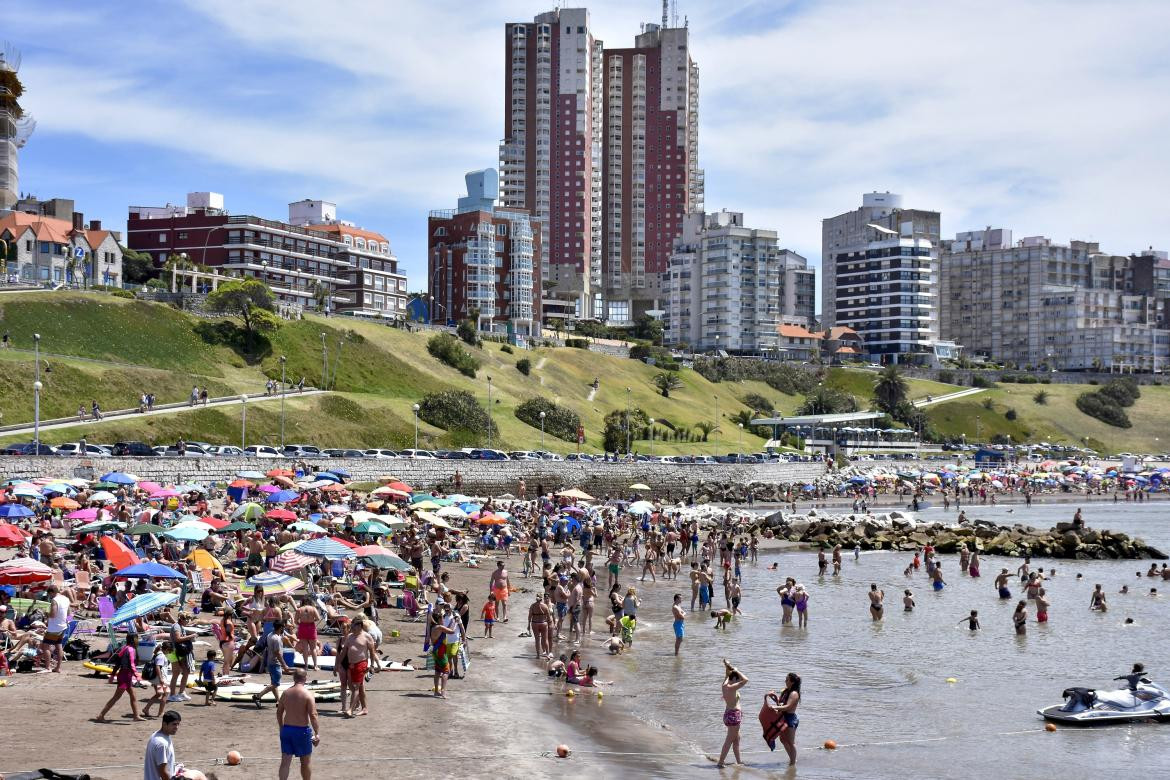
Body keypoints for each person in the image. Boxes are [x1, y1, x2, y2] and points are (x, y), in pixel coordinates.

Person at [278, 668, 321, 780]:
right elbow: (313, 715)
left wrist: (281, 727)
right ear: (305, 678)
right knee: (305, 762)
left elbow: (279, 712)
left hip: (287, 730)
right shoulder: (307, 694)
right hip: (301, 731)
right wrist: (317, 733)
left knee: (285, 762)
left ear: (294, 678)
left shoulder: (286, 693)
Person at [95, 632, 143, 722]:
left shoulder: (124, 648)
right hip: (125, 675)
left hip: (124, 674)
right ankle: (101, 715)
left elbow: (117, 663)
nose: (138, 640)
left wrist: (113, 675)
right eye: (137, 638)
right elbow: (132, 664)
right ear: (134, 639)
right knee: (116, 697)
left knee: (133, 696)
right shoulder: (131, 650)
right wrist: (137, 676)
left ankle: (136, 716)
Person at [343, 618, 381, 716]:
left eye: (354, 625)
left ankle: (350, 709)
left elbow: (372, 652)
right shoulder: (350, 636)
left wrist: (372, 665)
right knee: (357, 687)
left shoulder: (367, 637)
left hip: (361, 664)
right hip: (350, 664)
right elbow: (344, 652)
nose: (351, 627)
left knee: (356, 687)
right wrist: (338, 663)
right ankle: (364, 708)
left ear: (359, 626)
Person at [763, 672, 801, 765]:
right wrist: (774, 698)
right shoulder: (786, 691)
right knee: (783, 740)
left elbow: (787, 706)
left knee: (791, 742)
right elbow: (780, 703)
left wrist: (774, 707)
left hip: (790, 719)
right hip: (782, 717)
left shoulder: (794, 693)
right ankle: (792, 759)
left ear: (792, 682)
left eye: (787, 680)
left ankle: (793, 764)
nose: (785, 681)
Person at [717, 659, 749, 768]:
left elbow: (727, 675)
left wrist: (728, 666)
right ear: (734, 678)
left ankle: (739, 762)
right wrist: (737, 670)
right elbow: (746, 680)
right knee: (729, 740)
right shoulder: (731, 687)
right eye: (737, 679)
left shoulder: (725, 684)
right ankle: (720, 762)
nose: (738, 681)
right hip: (734, 716)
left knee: (736, 739)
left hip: (728, 714)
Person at [253, 620, 292, 708]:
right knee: (275, 684)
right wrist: (284, 665)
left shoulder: (270, 635)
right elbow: (277, 653)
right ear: (281, 628)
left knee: (273, 683)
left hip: (270, 662)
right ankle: (258, 696)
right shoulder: (276, 639)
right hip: (275, 663)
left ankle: (278, 701)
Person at [40, 583, 70, 673]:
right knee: (59, 646)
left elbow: (53, 614)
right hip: (63, 626)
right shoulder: (66, 599)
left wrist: (45, 614)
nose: (49, 596)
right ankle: (58, 668)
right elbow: (69, 613)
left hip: (54, 628)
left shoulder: (55, 600)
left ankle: (48, 667)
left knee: (45, 646)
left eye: (49, 594)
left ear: (52, 592)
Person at [142, 641, 173, 719]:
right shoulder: (161, 656)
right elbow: (157, 667)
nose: (169, 653)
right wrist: (161, 679)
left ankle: (146, 709)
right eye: (170, 651)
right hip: (160, 678)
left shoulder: (158, 654)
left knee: (159, 694)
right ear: (167, 649)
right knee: (166, 694)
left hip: (157, 679)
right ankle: (161, 712)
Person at [294, 598, 320, 671]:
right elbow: (318, 618)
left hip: (303, 627)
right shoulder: (313, 608)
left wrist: (301, 624)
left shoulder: (299, 610)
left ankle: (306, 666)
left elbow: (295, 621)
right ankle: (315, 665)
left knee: (305, 649)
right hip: (311, 627)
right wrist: (312, 620)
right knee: (313, 649)